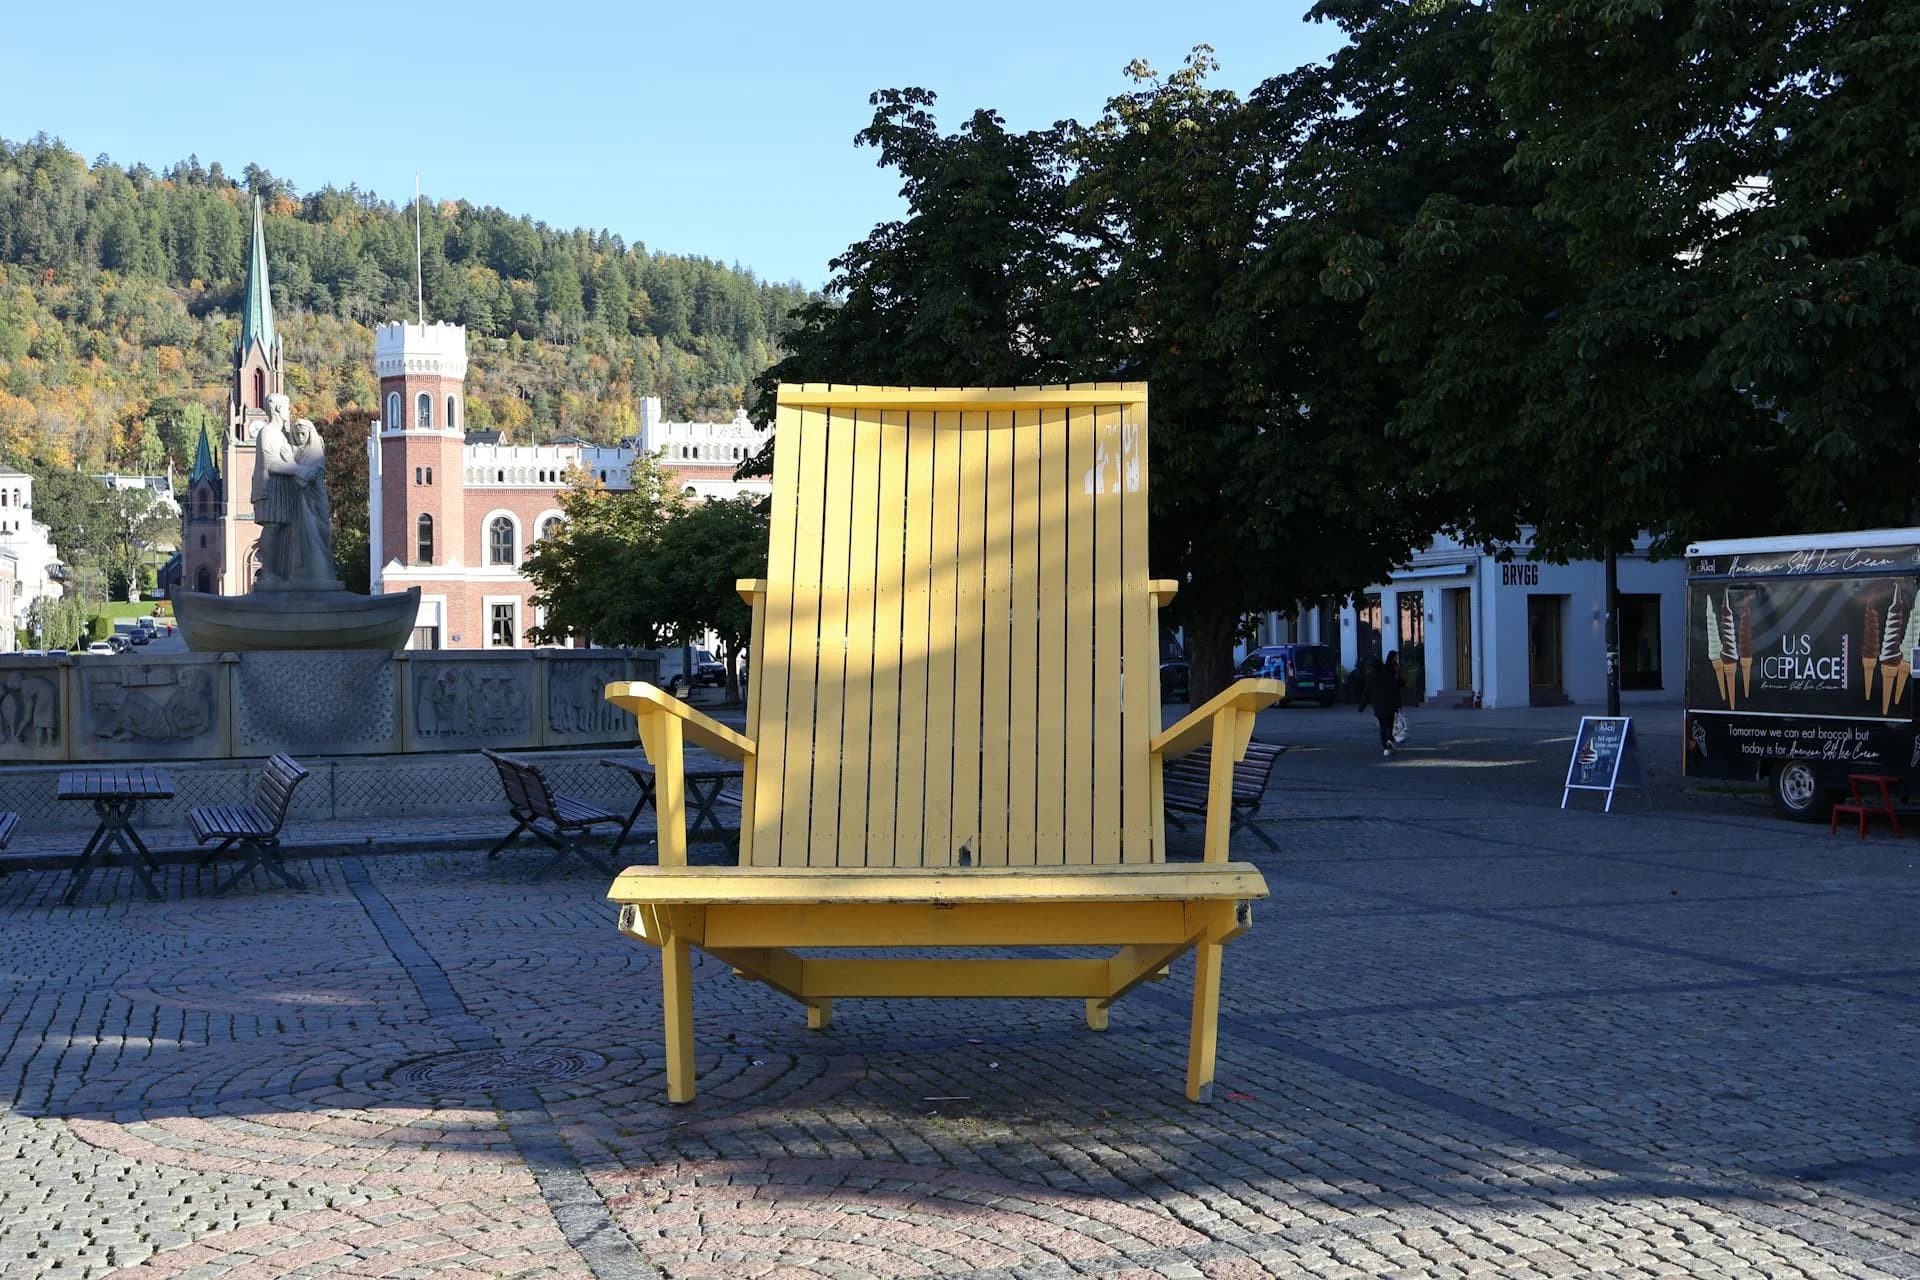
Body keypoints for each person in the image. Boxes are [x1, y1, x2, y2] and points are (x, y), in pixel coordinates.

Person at [1363, 650, 1405, 757]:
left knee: (1383, 726)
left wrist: (1361, 707)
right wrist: (1398, 704)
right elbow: (1395, 689)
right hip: (1390, 704)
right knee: (1390, 725)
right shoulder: (1389, 675)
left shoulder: (1372, 677)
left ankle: (1385, 746)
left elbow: (1366, 693)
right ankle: (1389, 741)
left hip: (1379, 706)